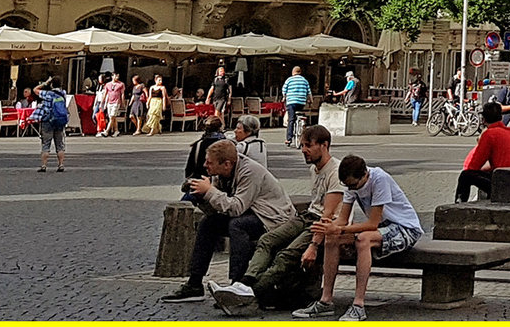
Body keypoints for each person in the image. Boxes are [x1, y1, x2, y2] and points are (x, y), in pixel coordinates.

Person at [159, 138, 296, 304]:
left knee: (237, 226)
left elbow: (236, 207)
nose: (205, 165)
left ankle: (237, 284)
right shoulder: (220, 174)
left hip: (273, 219)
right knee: (208, 223)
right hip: (251, 213)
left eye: (209, 162)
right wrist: (202, 197)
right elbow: (218, 209)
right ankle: (194, 284)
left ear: (227, 164)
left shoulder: (250, 171)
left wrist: (209, 191)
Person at [226, 124, 344, 312]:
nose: (303, 150)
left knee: (286, 255)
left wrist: (313, 246)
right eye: (302, 145)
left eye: (308, 145)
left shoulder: (336, 171)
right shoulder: (314, 169)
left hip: (323, 225)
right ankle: (245, 283)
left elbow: (328, 216)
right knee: (267, 240)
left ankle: (252, 293)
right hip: (307, 216)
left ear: (324, 145)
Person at [295, 155, 422, 321]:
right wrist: (328, 229)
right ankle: (325, 301)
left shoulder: (379, 179)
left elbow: (372, 224)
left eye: (354, 185)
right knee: (332, 238)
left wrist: (340, 228)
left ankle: (358, 304)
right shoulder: (351, 185)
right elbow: (342, 219)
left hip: (405, 228)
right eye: (348, 186)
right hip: (383, 228)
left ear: (365, 175)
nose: (351, 189)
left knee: (364, 239)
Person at [456, 101, 510, 201]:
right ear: (501, 117)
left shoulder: (489, 135)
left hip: (504, 179)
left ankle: (459, 204)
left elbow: (474, 164)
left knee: (465, 176)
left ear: (484, 120)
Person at [32, 76, 70, 174]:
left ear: (52, 84)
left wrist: (46, 83)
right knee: (60, 144)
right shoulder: (63, 94)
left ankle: (44, 165)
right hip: (59, 120)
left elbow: (35, 90)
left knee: (46, 143)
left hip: (48, 120)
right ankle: (61, 164)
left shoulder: (47, 94)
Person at [282, 66, 313, 138]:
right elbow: (309, 92)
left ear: (293, 72)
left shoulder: (289, 80)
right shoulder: (305, 80)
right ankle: (301, 125)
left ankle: (289, 138)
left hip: (291, 102)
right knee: (300, 112)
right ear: (300, 72)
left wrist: (284, 97)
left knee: (291, 119)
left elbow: (284, 90)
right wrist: (310, 101)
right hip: (301, 102)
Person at [101, 72, 127, 137]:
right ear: (112, 76)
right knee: (112, 117)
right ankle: (116, 130)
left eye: (118, 76)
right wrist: (103, 101)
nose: (117, 78)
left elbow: (122, 93)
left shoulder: (121, 84)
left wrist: (123, 102)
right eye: (116, 76)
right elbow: (105, 93)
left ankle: (106, 131)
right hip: (109, 102)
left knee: (112, 116)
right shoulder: (108, 84)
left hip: (116, 102)